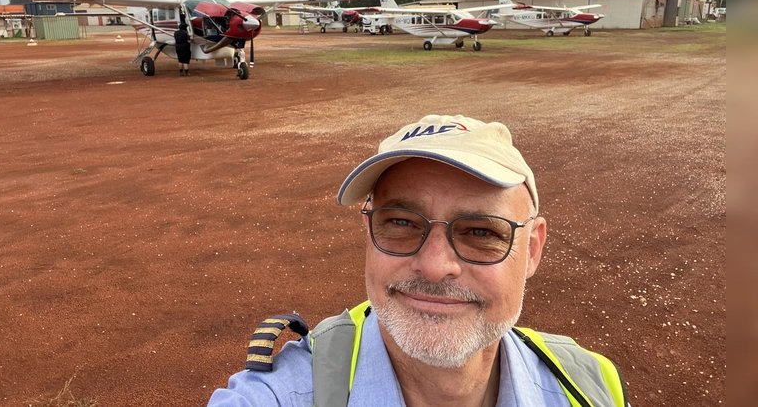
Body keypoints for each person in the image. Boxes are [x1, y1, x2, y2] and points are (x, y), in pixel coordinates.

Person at [207, 114, 628, 407]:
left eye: (481, 231)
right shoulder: (284, 394)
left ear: (532, 249)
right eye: (402, 223)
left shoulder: (590, 387)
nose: (433, 266)